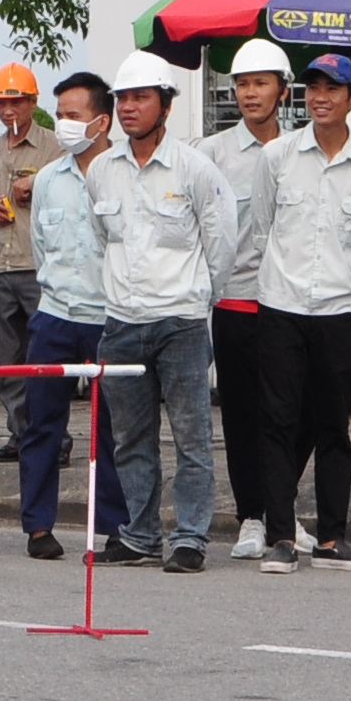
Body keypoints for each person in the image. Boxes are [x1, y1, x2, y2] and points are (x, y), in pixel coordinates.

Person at [87, 49, 237, 572]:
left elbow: (222, 245)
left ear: (165, 106)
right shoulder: (102, 170)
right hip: (122, 322)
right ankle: (141, 533)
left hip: (182, 323)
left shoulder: (196, 169)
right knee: (130, 438)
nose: (128, 107)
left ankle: (191, 536)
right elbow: (101, 238)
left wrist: (196, 300)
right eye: (122, 98)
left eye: (140, 98)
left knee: (192, 437)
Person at [247, 53, 351, 576]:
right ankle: (281, 536)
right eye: (313, 88)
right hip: (281, 304)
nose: (321, 97)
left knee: (333, 427)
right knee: (278, 423)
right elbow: (263, 228)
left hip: (338, 309)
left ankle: (331, 538)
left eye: (333, 88)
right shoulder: (278, 156)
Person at [13, 68, 131, 562]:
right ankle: (39, 526)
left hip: (111, 317)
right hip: (56, 314)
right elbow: (41, 244)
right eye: (60, 115)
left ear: (101, 122)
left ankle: (116, 526)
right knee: (41, 424)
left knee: (114, 429)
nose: (63, 124)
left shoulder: (126, 174)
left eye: (73, 116)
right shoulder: (48, 180)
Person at [204, 35, 295, 559]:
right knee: (241, 415)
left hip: (292, 303)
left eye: (260, 83)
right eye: (241, 84)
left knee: (291, 414)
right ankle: (252, 517)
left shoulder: (302, 150)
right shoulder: (212, 153)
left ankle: (284, 512)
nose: (249, 93)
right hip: (236, 301)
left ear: (283, 90)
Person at [0, 64, 53, 470]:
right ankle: (19, 432)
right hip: (1, 264)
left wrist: (37, 183)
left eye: (15, 101)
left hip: (37, 265)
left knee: (42, 358)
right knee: (9, 360)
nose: (8, 110)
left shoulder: (52, 149)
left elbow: (72, 189)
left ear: (33, 102)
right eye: (2, 103)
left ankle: (51, 438)